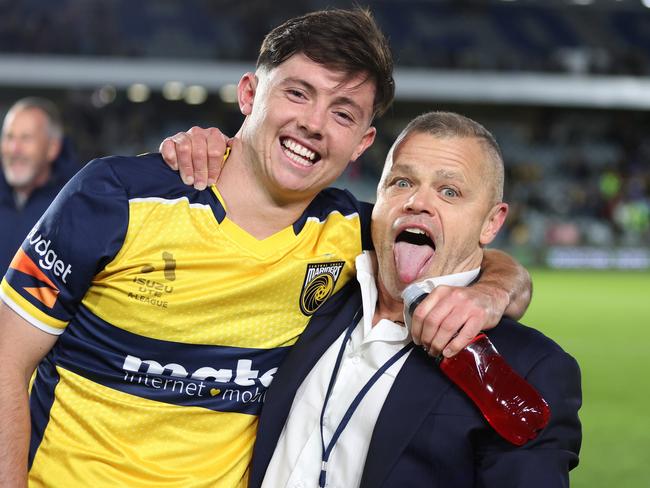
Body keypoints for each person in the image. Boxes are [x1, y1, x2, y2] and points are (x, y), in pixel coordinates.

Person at [0, 9, 530, 488]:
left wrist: (489, 292)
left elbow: (470, 254)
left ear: (362, 144)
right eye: (297, 93)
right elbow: (6, 361)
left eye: (344, 113)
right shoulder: (116, 196)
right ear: (250, 95)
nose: (314, 124)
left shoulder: (350, 230)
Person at [247, 112, 582, 488]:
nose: (417, 201)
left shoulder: (528, 366)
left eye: (449, 191)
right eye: (401, 182)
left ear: (491, 223)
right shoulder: (320, 291)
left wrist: (496, 289)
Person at [0, 97, 78, 275]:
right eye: (9, 137)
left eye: (26, 138)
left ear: (52, 148)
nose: (14, 149)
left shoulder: (74, 205)